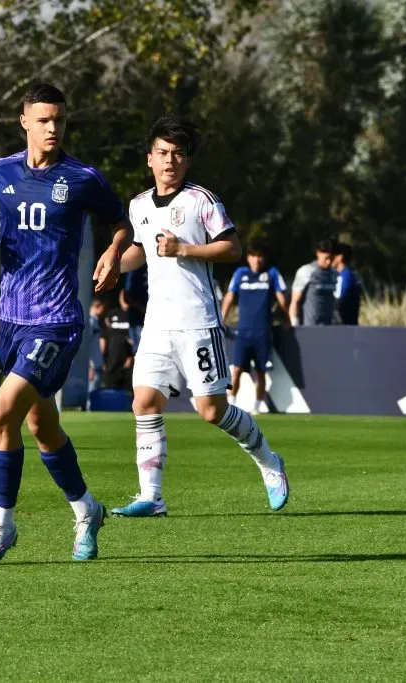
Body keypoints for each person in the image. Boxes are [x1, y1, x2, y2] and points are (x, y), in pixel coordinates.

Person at [0, 83, 130, 562]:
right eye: (43, 120)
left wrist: (114, 252)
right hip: (11, 318)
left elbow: (121, 223)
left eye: (59, 119)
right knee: (41, 426)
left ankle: (2, 525)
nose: (53, 127)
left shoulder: (82, 178)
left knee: (1, 413)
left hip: (56, 320)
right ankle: (86, 509)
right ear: (25, 122)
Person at [110, 114, 289, 519]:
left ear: (187, 161)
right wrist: (114, 265)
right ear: (149, 159)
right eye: (162, 153)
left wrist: (186, 250)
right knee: (144, 400)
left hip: (198, 321)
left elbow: (232, 249)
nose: (170, 161)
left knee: (210, 411)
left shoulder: (200, 201)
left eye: (178, 154)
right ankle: (151, 496)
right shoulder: (138, 205)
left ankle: (268, 461)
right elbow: (141, 250)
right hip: (157, 324)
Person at [221, 242, 290, 414]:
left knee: (260, 371)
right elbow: (230, 297)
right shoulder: (240, 273)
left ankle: (258, 406)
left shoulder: (272, 273)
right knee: (236, 370)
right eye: (254, 256)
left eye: (260, 256)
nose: (257, 260)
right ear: (248, 258)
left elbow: (281, 297)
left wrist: (288, 318)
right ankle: (232, 403)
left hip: (263, 332)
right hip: (243, 331)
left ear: (264, 258)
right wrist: (222, 319)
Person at [289, 239, 337, 326]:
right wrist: (294, 325)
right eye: (326, 258)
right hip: (310, 327)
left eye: (332, 258)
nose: (329, 262)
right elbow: (295, 301)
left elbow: (333, 299)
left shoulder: (334, 273)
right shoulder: (306, 271)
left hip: (328, 327)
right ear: (318, 253)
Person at [100, 300, 134, 389]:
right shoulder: (112, 314)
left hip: (129, 364)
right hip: (112, 363)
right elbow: (104, 338)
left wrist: (133, 357)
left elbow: (139, 339)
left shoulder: (135, 316)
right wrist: (101, 359)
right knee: (111, 391)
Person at [333, 242, 363, 325]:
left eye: (332, 256)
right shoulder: (352, 274)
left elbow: (339, 301)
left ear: (339, 257)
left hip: (343, 326)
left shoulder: (344, 276)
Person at [120, 265, 148, 351]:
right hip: (137, 317)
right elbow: (125, 295)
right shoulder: (133, 271)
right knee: (139, 349)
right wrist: (140, 308)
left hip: (149, 315)